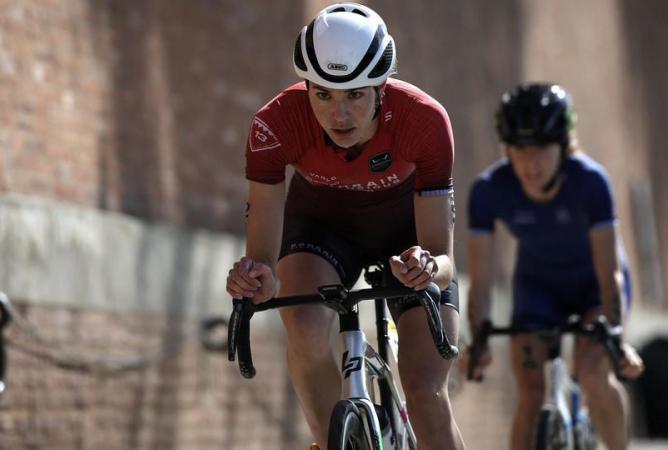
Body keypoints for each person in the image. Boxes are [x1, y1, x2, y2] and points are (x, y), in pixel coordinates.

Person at [225, 3, 466, 449]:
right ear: (307, 88)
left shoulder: (424, 121)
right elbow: (262, 256)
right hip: (321, 228)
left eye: (355, 95)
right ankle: (328, 441)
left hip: (408, 237)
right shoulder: (275, 123)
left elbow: (444, 258)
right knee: (303, 323)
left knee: (426, 390)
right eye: (323, 95)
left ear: (381, 88)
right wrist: (257, 275)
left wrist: (429, 267)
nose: (339, 114)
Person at [465, 83, 645, 450]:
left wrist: (616, 339)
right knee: (531, 393)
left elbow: (609, 273)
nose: (530, 165)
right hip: (538, 286)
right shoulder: (488, 190)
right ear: (507, 149)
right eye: (519, 150)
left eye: (542, 150)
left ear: (563, 146)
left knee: (594, 373)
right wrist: (478, 337)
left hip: (595, 285)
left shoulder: (591, 182)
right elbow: (480, 283)